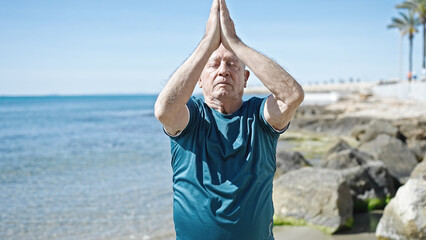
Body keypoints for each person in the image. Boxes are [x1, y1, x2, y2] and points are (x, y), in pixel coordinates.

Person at [154, 0, 304, 239]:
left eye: (232, 64)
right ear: (199, 79)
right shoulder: (191, 118)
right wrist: (207, 42)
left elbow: (292, 96)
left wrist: (235, 42)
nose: (223, 70)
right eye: (213, 65)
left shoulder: (258, 116)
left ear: (245, 78)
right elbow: (164, 110)